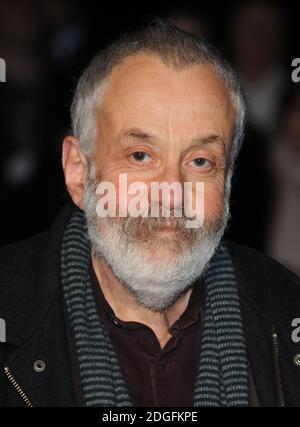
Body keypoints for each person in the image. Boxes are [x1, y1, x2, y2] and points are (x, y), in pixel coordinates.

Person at [1, 21, 300, 407]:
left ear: (227, 185)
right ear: (78, 170)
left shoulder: (286, 311)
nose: (171, 194)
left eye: (200, 161)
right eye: (140, 156)